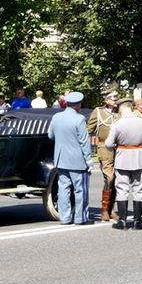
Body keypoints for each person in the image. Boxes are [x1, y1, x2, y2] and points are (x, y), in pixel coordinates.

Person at [47, 91, 94, 225]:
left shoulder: (56, 117)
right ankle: (80, 218)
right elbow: (84, 142)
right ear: (78, 105)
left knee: (63, 189)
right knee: (80, 190)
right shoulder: (79, 119)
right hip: (78, 160)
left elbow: (50, 135)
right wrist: (89, 160)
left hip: (61, 159)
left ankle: (65, 217)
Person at [104, 97, 142, 230]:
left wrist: (117, 145)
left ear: (121, 108)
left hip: (123, 158)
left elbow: (108, 144)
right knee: (139, 189)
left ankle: (122, 221)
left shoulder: (117, 124)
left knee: (122, 189)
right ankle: (137, 221)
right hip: (140, 158)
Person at [87, 91, 120, 221]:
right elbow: (89, 129)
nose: (116, 101)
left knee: (117, 179)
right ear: (106, 100)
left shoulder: (119, 113)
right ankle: (104, 210)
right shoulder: (98, 112)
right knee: (109, 177)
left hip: (118, 148)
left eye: (117, 99)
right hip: (104, 148)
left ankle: (111, 209)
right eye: (113, 99)